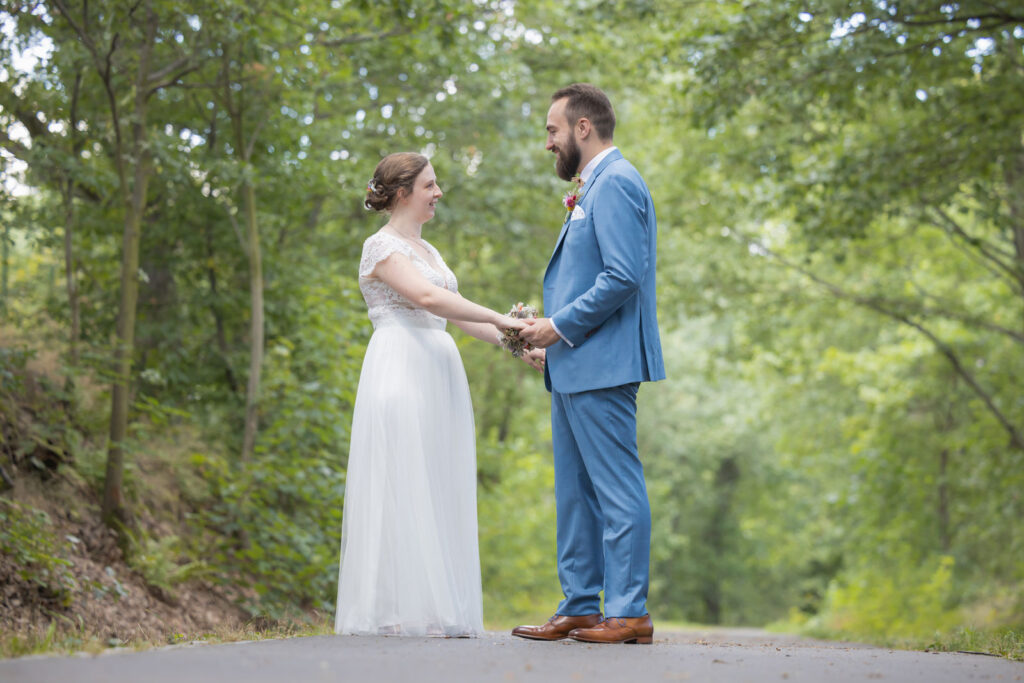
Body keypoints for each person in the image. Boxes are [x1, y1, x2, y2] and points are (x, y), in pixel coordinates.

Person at [335, 152, 542, 637]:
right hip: (400, 367)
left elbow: (452, 314)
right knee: (403, 479)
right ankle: (393, 612)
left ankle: (431, 608)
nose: (439, 193)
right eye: (430, 185)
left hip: (438, 370)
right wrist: (503, 315)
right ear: (403, 191)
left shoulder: (429, 252)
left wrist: (515, 344)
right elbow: (427, 299)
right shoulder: (380, 247)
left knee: (436, 479)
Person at [515, 84, 665, 645]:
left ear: (582, 128)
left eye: (553, 130)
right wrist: (548, 343)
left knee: (616, 491)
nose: (547, 142)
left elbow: (624, 275)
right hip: (574, 363)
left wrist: (560, 326)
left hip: (603, 363)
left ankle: (629, 611)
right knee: (575, 493)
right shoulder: (592, 186)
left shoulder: (619, 182)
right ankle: (580, 603)